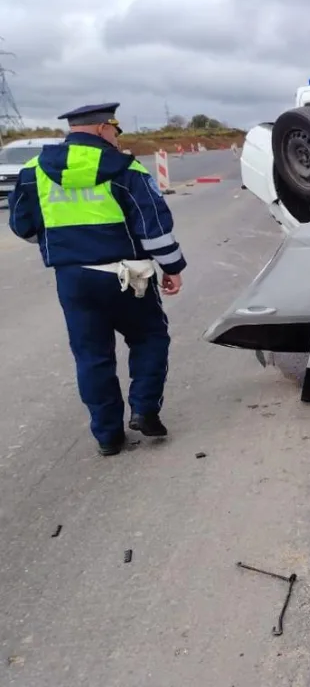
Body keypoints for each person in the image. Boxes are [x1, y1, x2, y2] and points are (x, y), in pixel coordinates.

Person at [7, 103, 187, 457]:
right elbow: (152, 225)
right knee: (150, 337)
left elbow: (22, 225)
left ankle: (108, 437)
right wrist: (172, 266)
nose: (116, 137)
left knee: (91, 356)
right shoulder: (126, 169)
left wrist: (60, 243)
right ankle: (144, 409)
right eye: (114, 130)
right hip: (128, 276)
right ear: (104, 128)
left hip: (73, 278)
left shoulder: (33, 171)